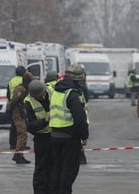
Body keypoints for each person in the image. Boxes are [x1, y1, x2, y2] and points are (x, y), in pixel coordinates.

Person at [49, 64, 89, 194]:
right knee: (69, 171)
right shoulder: (72, 94)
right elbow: (79, 117)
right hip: (69, 138)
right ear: (78, 78)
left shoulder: (56, 90)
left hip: (54, 136)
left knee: (57, 169)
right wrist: (84, 135)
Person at [25, 80, 52, 194]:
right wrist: (44, 121)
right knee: (41, 168)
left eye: (43, 94)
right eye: (39, 96)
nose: (42, 96)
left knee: (55, 166)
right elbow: (30, 126)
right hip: (41, 138)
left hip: (55, 136)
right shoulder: (28, 102)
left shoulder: (51, 91)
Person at [10, 71, 34, 164]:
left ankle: (19, 154)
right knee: (22, 133)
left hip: (21, 112)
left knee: (23, 134)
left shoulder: (25, 89)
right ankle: (18, 154)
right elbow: (14, 101)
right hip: (18, 112)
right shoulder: (20, 89)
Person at [7, 65, 26, 150]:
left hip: (12, 103)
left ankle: (12, 143)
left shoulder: (11, 81)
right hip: (21, 104)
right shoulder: (23, 81)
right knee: (22, 126)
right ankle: (21, 144)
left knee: (13, 126)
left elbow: (8, 93)